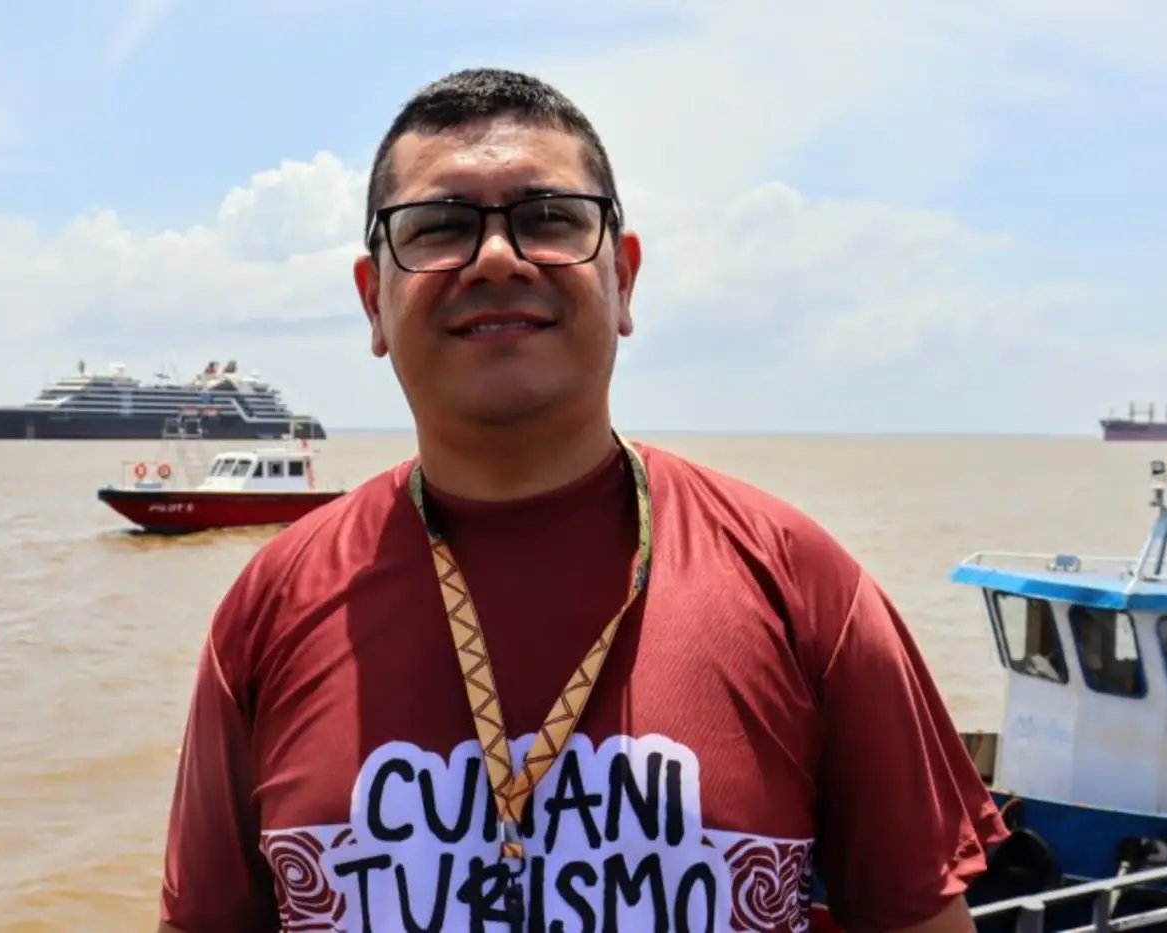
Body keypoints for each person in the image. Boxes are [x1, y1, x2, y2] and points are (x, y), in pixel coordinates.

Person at [156, 67, 1007, 933]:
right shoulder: (269, 611)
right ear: (374, 299)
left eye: (549, 218)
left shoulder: (802, 586)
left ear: (624, 280)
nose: (496, 257)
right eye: (440, 227)